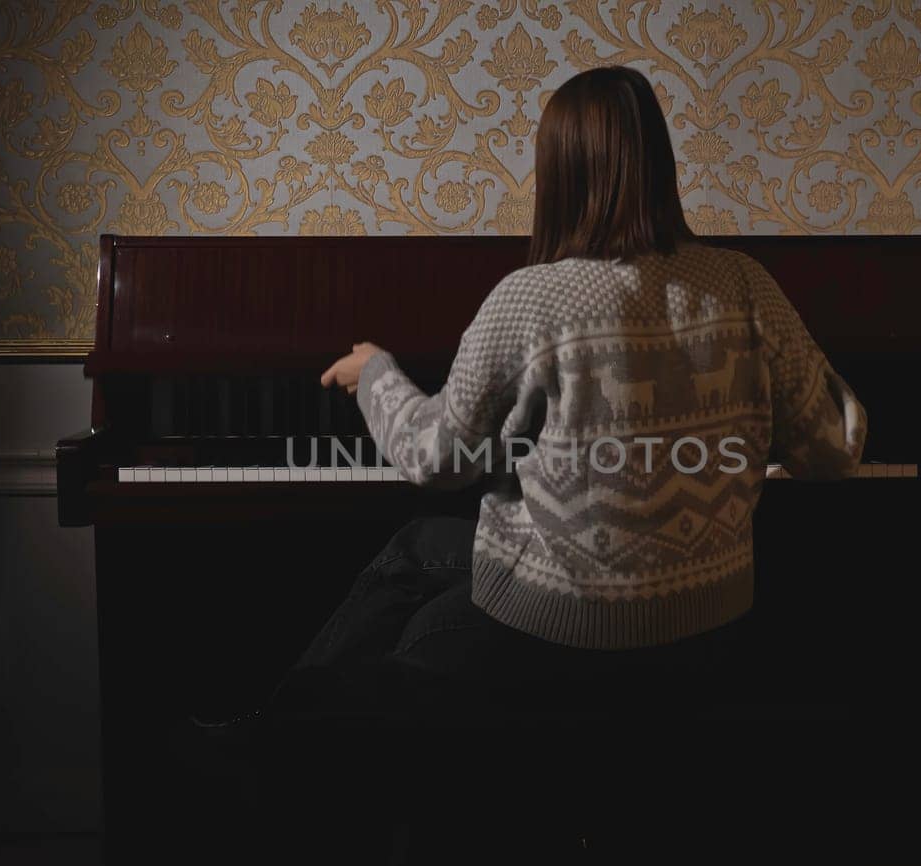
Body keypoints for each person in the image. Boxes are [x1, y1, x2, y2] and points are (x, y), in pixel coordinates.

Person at [291, 64, 866, 716]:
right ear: (659, 163)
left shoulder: (529, 300)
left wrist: (374, 373)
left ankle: (289, 735)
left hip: (551, 635)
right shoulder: (745, 285)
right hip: (707, 625)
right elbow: (831, 449)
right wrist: (806, 366)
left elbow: (435, 457)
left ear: (559, 173)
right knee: (423, 549)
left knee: (414, 568)